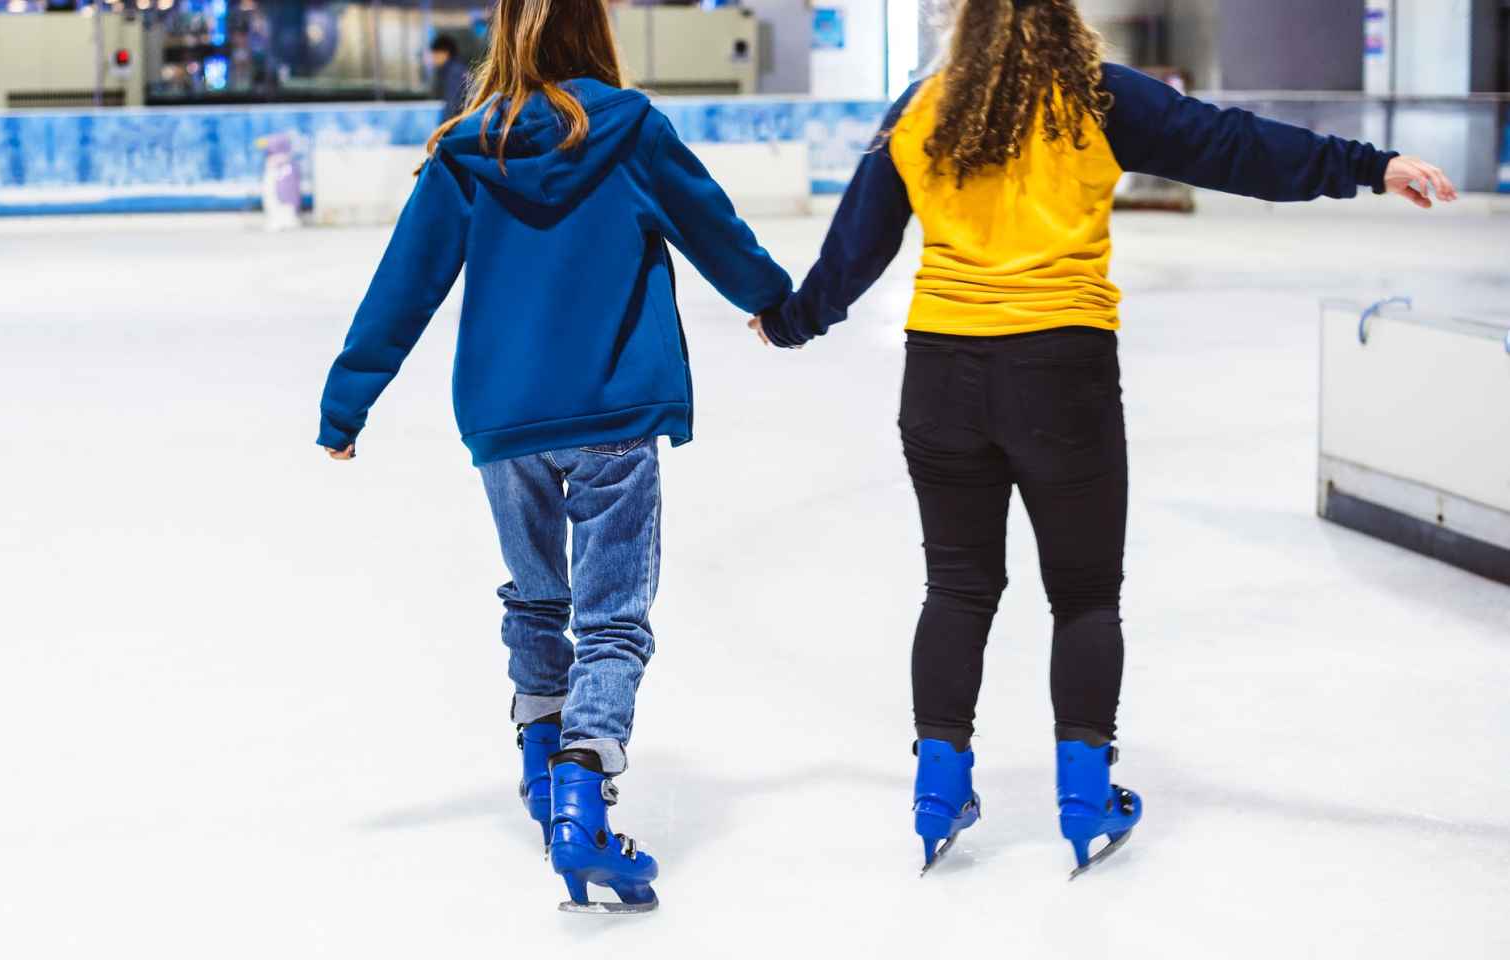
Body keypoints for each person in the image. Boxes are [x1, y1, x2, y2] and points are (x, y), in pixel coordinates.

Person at [753, 0, 1455, 879]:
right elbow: (1232, 146)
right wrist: (1370, 166)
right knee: (1084, 597)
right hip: (1062, 376)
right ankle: (1085, 798)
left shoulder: (921, 107)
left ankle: (939, 792)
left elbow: (855, 249)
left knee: (958, 587)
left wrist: (792, 322)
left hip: (942, 378)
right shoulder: (1095, 96)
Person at [317, 0, 790, 913]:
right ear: (595, 30)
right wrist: (777, 303)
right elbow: (714, 231)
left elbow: (403, 285)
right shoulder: (632, 129)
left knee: (537, 595)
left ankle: (541, 767)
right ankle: (583, 790)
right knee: (612, 617)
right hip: (613, 409)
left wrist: (348, 402)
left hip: (506, 419)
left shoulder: (468, 148)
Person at [428, 34, 470, 122]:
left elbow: (453, 103)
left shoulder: (455, 72)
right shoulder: (453, 69)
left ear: (445, 53)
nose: (433, 59)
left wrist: (444, 127)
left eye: (435, 54)